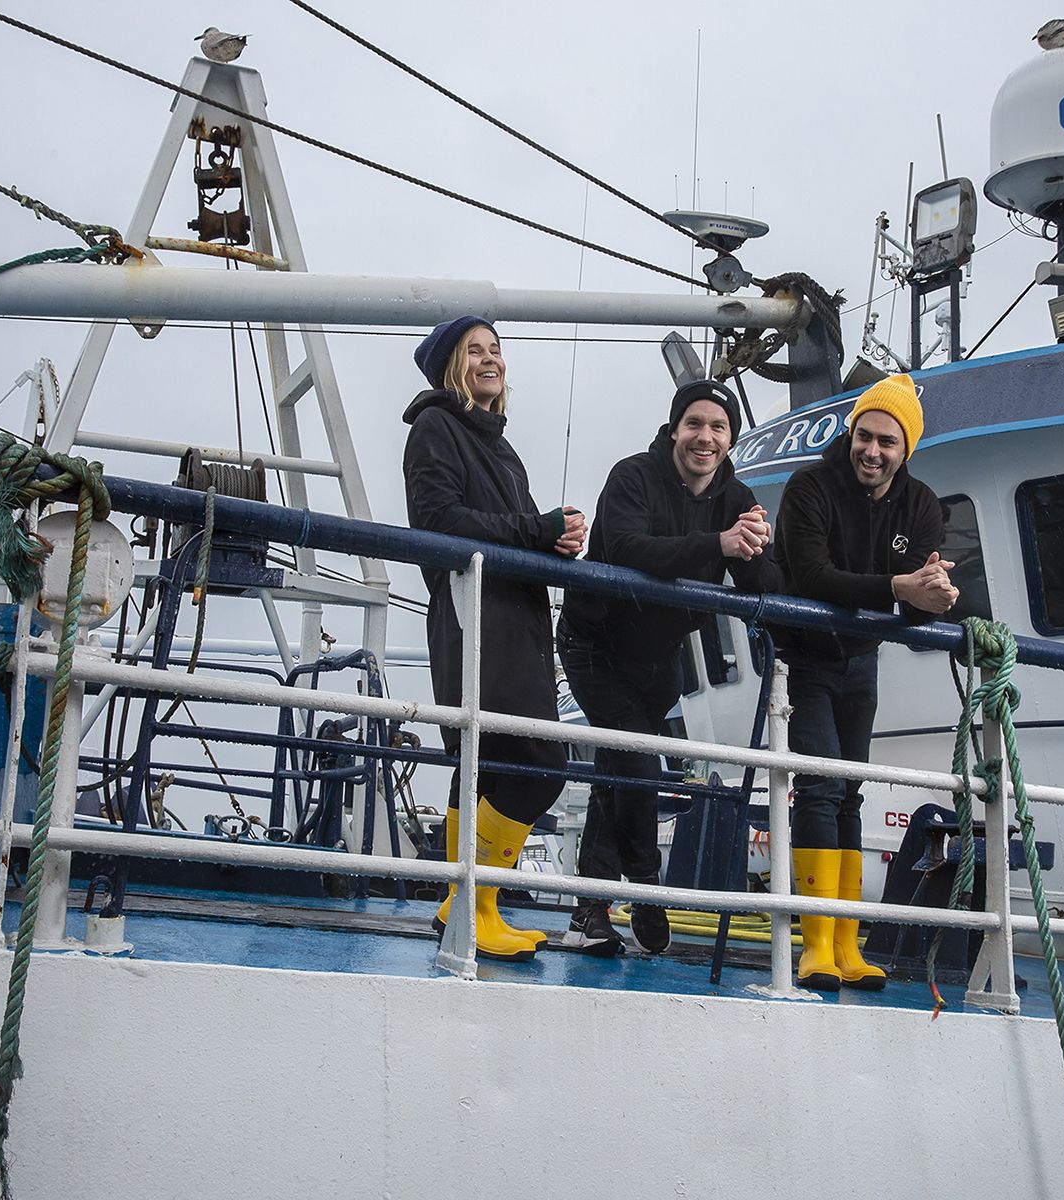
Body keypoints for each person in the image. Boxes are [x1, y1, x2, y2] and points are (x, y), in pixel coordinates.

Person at [557, 379, 783, 956]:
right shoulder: (632, 476)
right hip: (595, 644)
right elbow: (631, 549)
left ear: (730, 438)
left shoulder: (737, 498)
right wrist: (721, 545)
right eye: (695, 424)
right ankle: (646, 884)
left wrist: (759, 547)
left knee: (618, 768)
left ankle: (589, 912)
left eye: (718, 428)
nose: (705, 438)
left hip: (659, 657)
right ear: (675, 429)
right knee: (632, 755)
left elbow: (762, 581)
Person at [402, 315, 586, 962]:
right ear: (451, 366)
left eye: (496, 350)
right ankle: (465, 902)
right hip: (474, 618)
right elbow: (438, 519)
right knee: (536, 765)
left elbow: (512, 526)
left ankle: (475, 907)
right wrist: (535, 532)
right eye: (475, 350)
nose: (490, 359)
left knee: (481, 772)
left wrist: (556, 540)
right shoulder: (435, 427)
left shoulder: (499, 445)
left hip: (514, 622)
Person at [774, 373, 957, 990]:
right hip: (808, 658)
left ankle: (848, 946)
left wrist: (933, 596)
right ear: (851, 431)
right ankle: (815, 944)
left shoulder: (921, 504)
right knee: (822, 789)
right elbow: (811, 575)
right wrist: (900, 588)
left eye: (888, 442)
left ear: (906, 452)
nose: (872, 451)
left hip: (861, 663)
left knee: (851, 793)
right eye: (865, 435)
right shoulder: (809, 488)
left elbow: (912, 590)